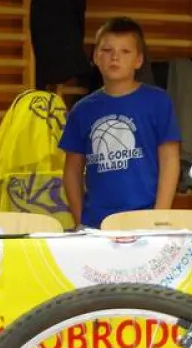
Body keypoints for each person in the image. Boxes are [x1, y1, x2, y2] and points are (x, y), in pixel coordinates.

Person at [60, 17, 181, 227]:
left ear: (138, 60)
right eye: (107, 50)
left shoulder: (158, 101)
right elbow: (71, 171)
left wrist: (159, 216)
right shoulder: (82, 110)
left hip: (145, 220)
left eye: (125, 51)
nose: (115, 57)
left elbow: (170, 160)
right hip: (97, 224)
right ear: (95, 56)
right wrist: (81, 219)